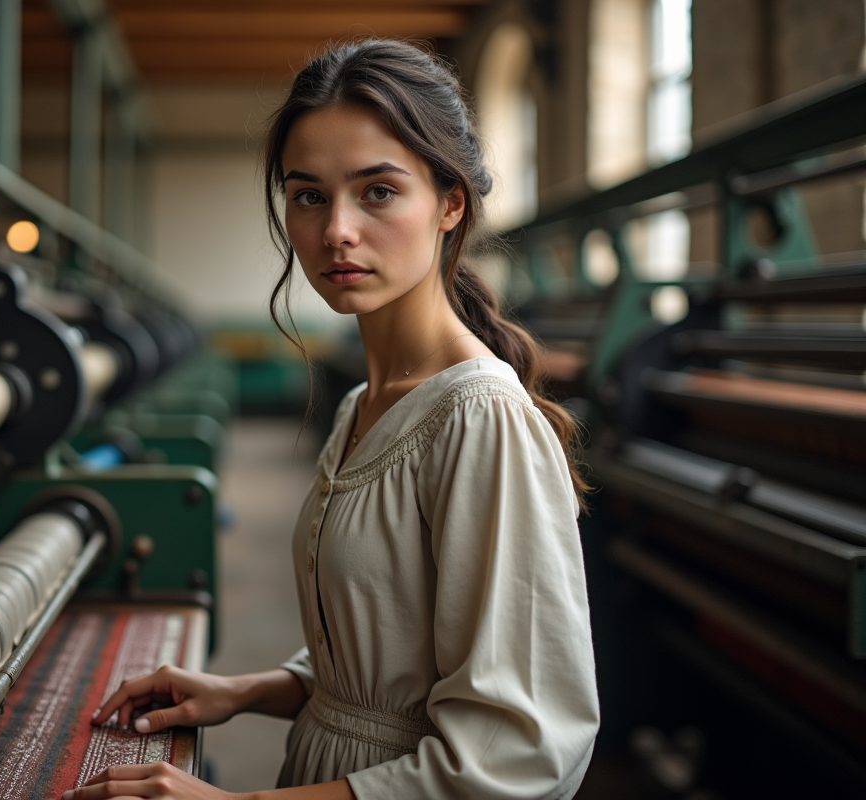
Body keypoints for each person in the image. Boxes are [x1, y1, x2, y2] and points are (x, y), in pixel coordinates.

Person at [65, 39, 600, 800]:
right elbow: (391, 660)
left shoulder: (478, 419)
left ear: (450, 203)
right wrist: (249, 689)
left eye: (377, 192)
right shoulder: (360, 407)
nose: (336, 231)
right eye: (308, 195)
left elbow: (518, 758)